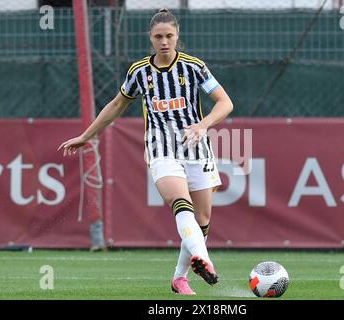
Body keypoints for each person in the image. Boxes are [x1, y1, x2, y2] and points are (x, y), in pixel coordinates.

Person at [58, 8, 233, 295]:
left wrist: (203, 124)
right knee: (180, 201)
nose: (164, 41)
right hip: (160, 148)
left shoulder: (194, 66)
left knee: (202, 222)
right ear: (150, 39)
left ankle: (180, 278)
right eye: (158, 37)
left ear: (177, 36)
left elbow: (224, 102)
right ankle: (205, 259)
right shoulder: (139, 72)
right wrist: (86, 136)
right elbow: (116, 105)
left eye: (169, 36)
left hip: (196, 148)